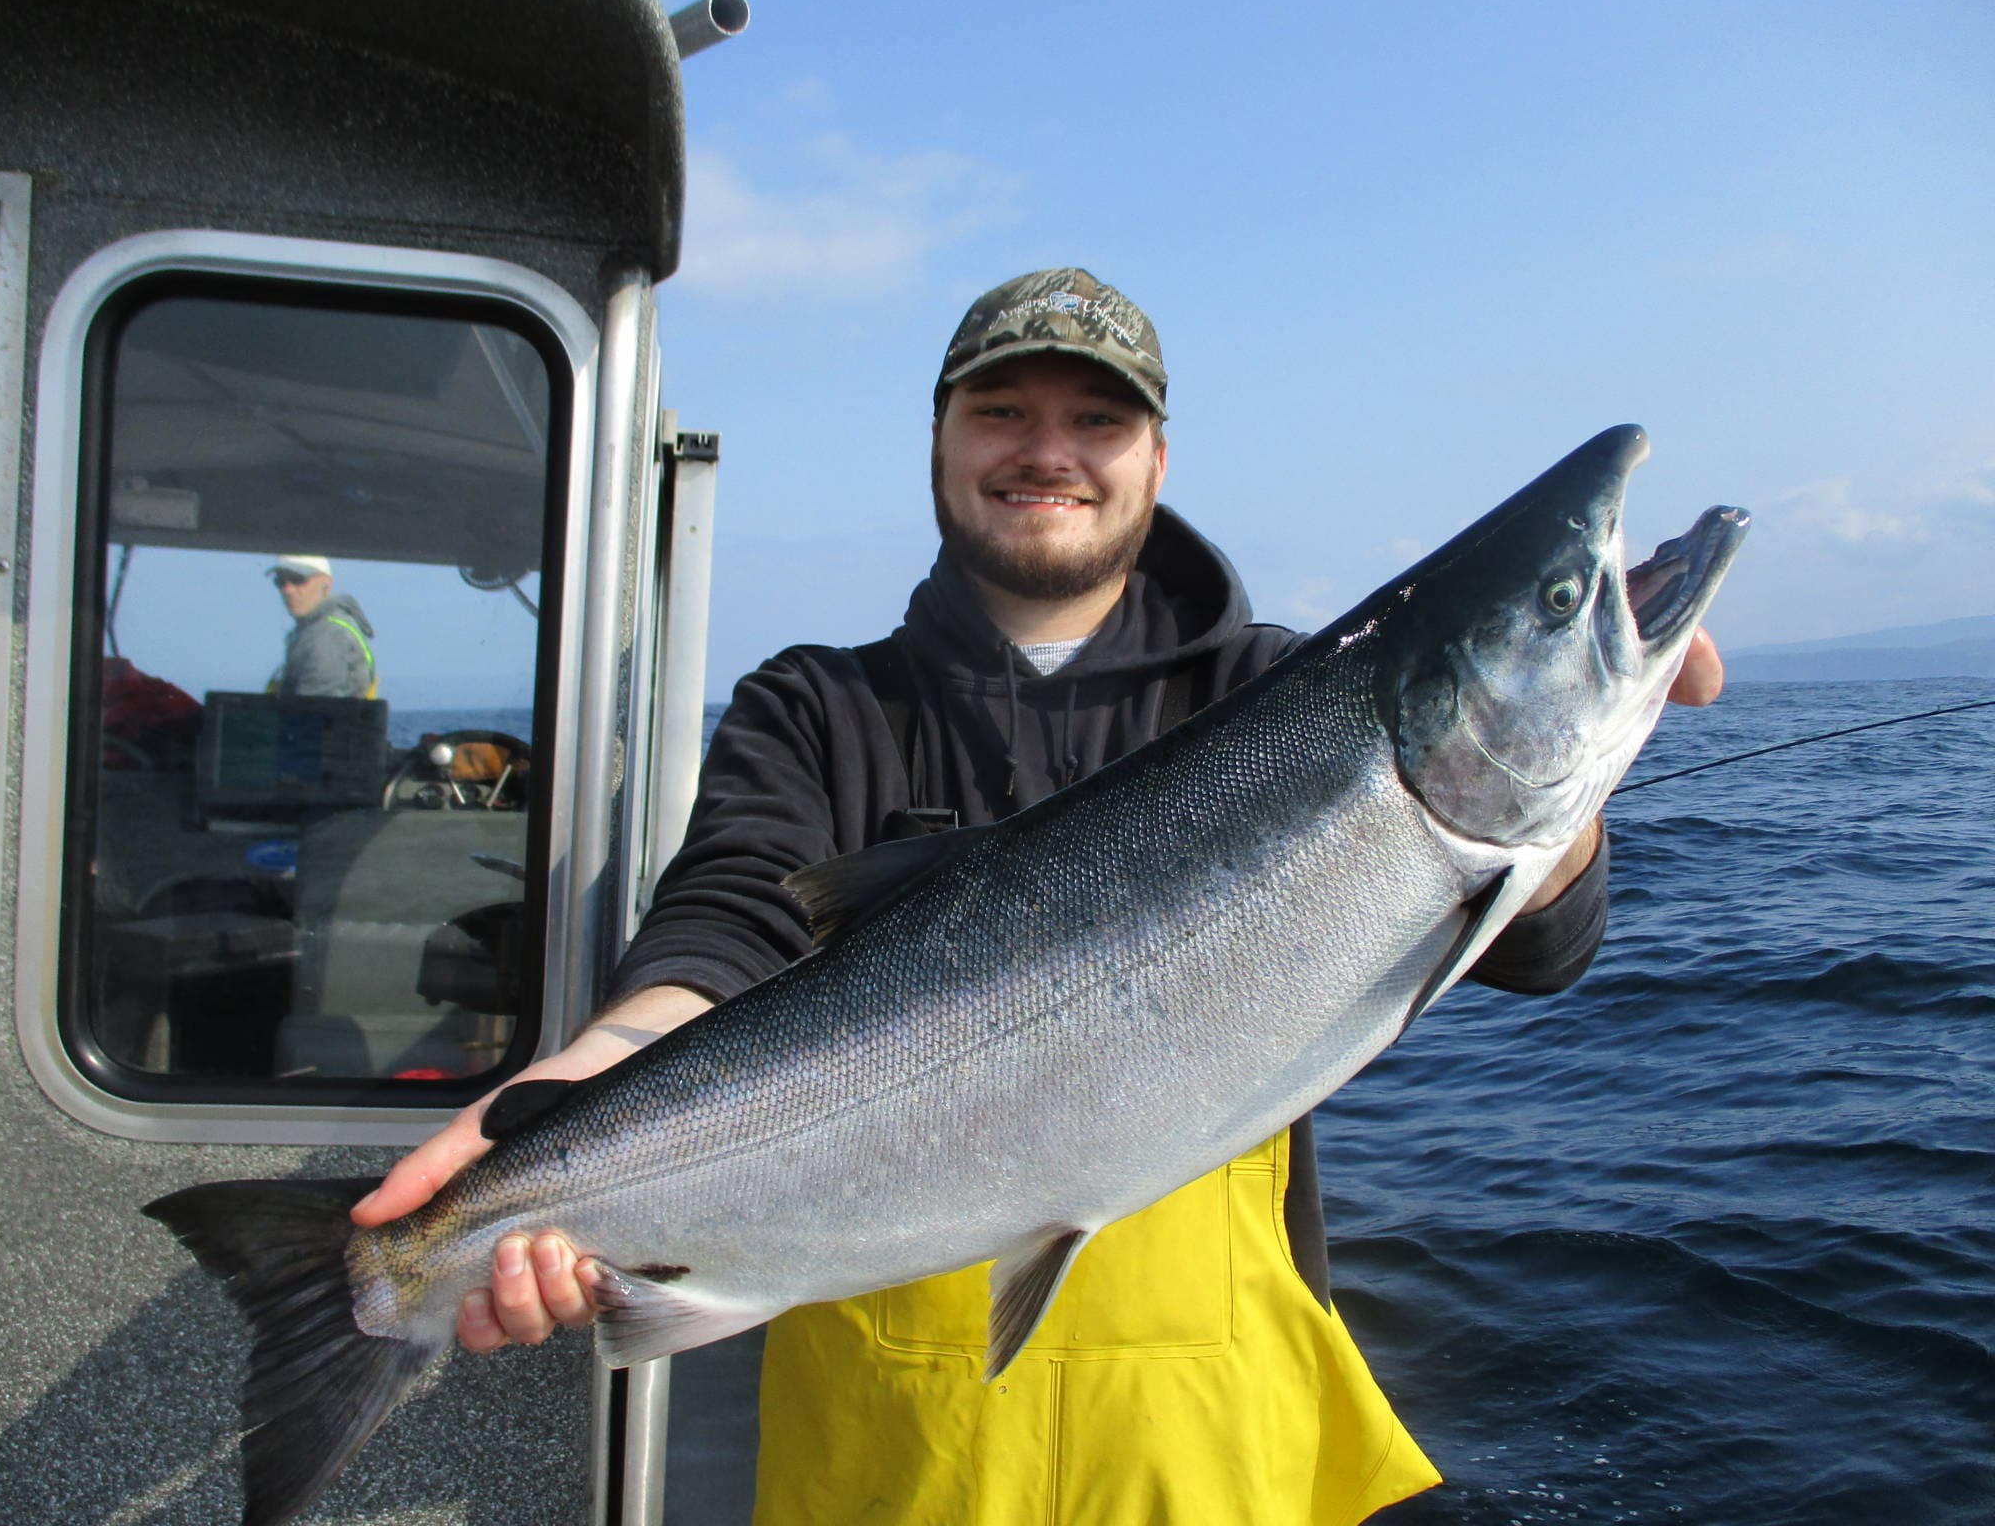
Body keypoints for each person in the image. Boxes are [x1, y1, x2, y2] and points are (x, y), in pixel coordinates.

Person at [354, 268, 1726, 1523]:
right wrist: (590, 1088)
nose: (1047, 450)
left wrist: (1569, 775)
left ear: (1157, 458)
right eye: (1001, 408)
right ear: (942, 442)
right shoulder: (820, 707)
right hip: (895, 1463)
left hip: (1209, 1445)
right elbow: (724, 927)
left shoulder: (1271, 689)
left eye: (1098, 419)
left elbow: (1544, 947)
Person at [266, 553, 376, 698]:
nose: (288, 590)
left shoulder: (326, 636)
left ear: (326, 584)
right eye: (280, 581)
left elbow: (313, 712)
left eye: (298, 579)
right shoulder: (318, 629)